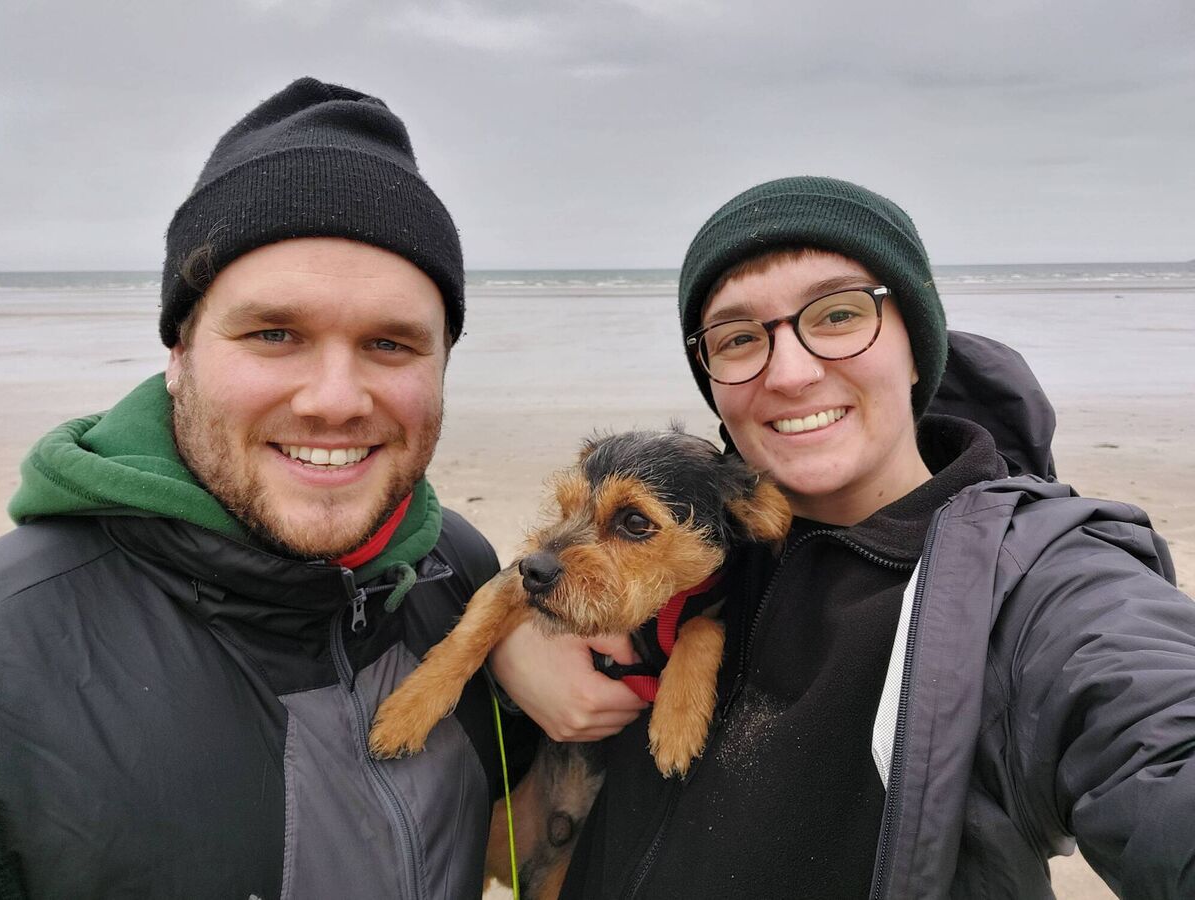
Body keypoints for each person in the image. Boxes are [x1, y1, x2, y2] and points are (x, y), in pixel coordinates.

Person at [490, 176, 1195, 898]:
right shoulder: (685, 533)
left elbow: (1147, 721)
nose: (791, 373)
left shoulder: (1026, 582)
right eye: (738, 337)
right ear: (714, 381)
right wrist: (512, 644)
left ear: (918, 346)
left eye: (837, 315)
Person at [0, 77, 533, 899]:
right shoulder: (12, 650)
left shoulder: (457, 570)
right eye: (274, 333)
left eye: (391, 344)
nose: (335, 399)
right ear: (180, 354)